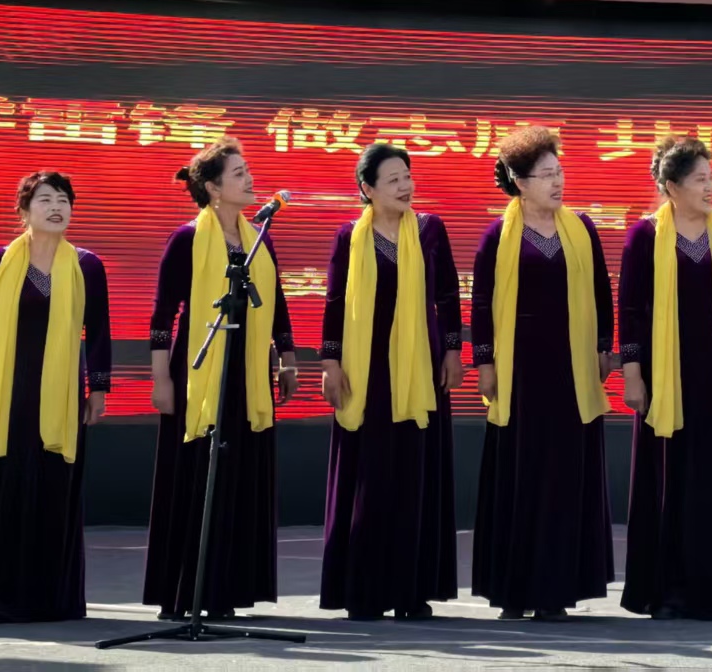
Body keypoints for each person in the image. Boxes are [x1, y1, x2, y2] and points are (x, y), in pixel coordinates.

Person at [142, 139, 298, 620]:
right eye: (239, 173)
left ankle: (227, 589)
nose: (250, 180)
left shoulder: (258, 239)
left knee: (240, 475)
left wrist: (288, 360)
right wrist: (161, 380)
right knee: (196, 475)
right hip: (199, 373)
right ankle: (185, 592)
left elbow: (278, 308)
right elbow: (162, 317)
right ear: (212, 188)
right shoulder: (187, 239)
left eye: (248, 171)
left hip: (248, 374)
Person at [618, 135, 712, 621]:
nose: (710, 187)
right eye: (700, 179)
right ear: (671, 187)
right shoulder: (645, 236)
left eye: (711, 178)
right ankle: (671, 592)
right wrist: (633, 374)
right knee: (672, 482)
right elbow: (631, 311)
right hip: (668, 380)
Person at [0, 171, 113, 623]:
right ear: (23, 211)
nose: (56, 207)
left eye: (64, 199)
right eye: (45, 200)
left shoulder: (86, 265)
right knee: (1, 487)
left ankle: (50, 600)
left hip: (62, 395)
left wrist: (98, 387)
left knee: (53, 489)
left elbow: (99, 329)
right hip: (6, 394)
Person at [471, 125, 616, 620]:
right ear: (519, 181)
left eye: (559, 173)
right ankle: (514, 592)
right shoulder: (498, 235)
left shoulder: (582, 228)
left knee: (563, 480)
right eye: (546, 175)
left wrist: (603, 349)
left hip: (571, 373)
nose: (558, 182)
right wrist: (485, 364)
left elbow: (601, 293)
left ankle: (555, 592)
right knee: (521, 479)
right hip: (520, 376)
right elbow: (482, 304)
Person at [318, 143, 464, 620]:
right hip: (367, 373)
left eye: (408, 176)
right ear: (368, 189)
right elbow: (334, 303)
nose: (406, 186)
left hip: (420, 369)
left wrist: (453, 350)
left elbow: (448, 295)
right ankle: (363, 591)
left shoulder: (429, 229)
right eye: (394, 179)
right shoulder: (349, 237)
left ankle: (410, 592)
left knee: (412, 478)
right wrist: (330, 363)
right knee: (370, 476)